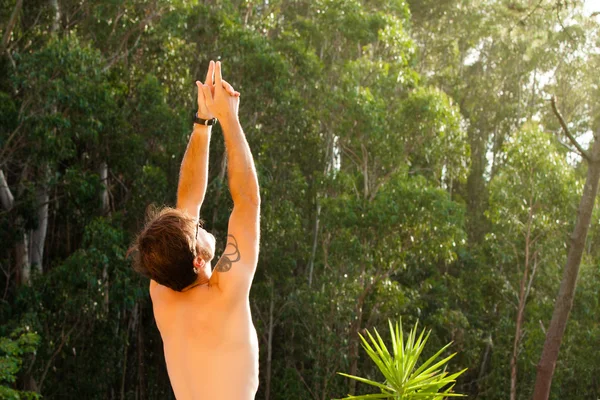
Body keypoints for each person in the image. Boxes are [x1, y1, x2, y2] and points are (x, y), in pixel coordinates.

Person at [129, 60, 261, 399]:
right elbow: (246, 201)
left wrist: (204, 122)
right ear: (196, 261)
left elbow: (187, 200)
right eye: (198, 227)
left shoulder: (163, 292)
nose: (199, 221)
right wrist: (229, 116)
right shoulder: (225, 294)